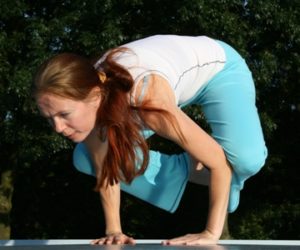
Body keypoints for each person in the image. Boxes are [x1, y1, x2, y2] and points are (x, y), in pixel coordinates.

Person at [33, 35, 268, 245]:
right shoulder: (94, 92)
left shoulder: (148, 102)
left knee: (246, 160)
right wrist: (114, 230)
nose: (58, 128)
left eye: (64, 115)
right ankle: (195, 171)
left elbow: (217, 160)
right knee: (85, 157)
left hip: (218, 71)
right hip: (155, 88)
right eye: (49, 118)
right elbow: (107, 167)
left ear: (95, 97)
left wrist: (210, 232)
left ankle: (229, 178)